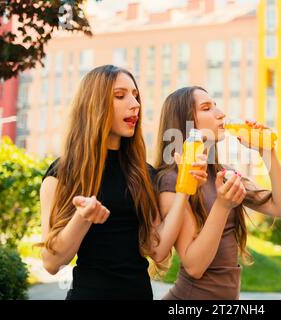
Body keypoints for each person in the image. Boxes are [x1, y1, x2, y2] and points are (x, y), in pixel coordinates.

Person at [38, 66, 207, 300]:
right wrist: (83, 217)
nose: (135, 104)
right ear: (94, 104)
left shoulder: (144, 174)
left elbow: (157, 250)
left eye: (135, 95)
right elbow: (51, 262)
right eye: (120, 95)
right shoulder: (62, 173)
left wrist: (183, 189)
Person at [154, 86, 281, 300]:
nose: (220, 114)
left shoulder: (223, 173)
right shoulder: (174, 179)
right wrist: (222, 206)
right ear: (187, 122)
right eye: (206, 108)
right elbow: (194, 266)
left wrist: (267, 152)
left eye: (216, 105)